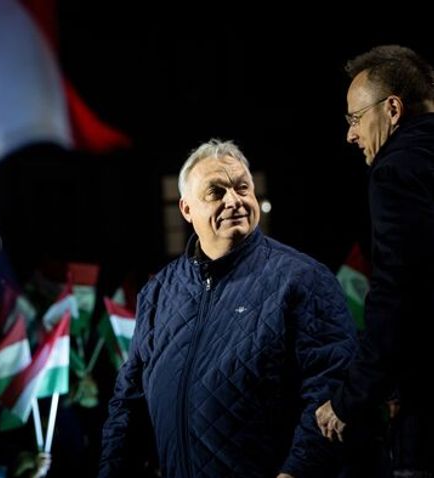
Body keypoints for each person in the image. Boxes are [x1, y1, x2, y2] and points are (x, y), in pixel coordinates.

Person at [99, 139, 357, 477]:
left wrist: (297, 471)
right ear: (186, 209)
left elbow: (331, 387)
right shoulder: (158, 292)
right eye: (216, 192)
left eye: (242, 188)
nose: (233, 200)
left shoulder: (302, 279)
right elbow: (128, 402)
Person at [315, 45, 434, 475]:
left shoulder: (396, 171)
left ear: (393, 109)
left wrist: (350, 400)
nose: (350, 135)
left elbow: (398, 296)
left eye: (354, 119)